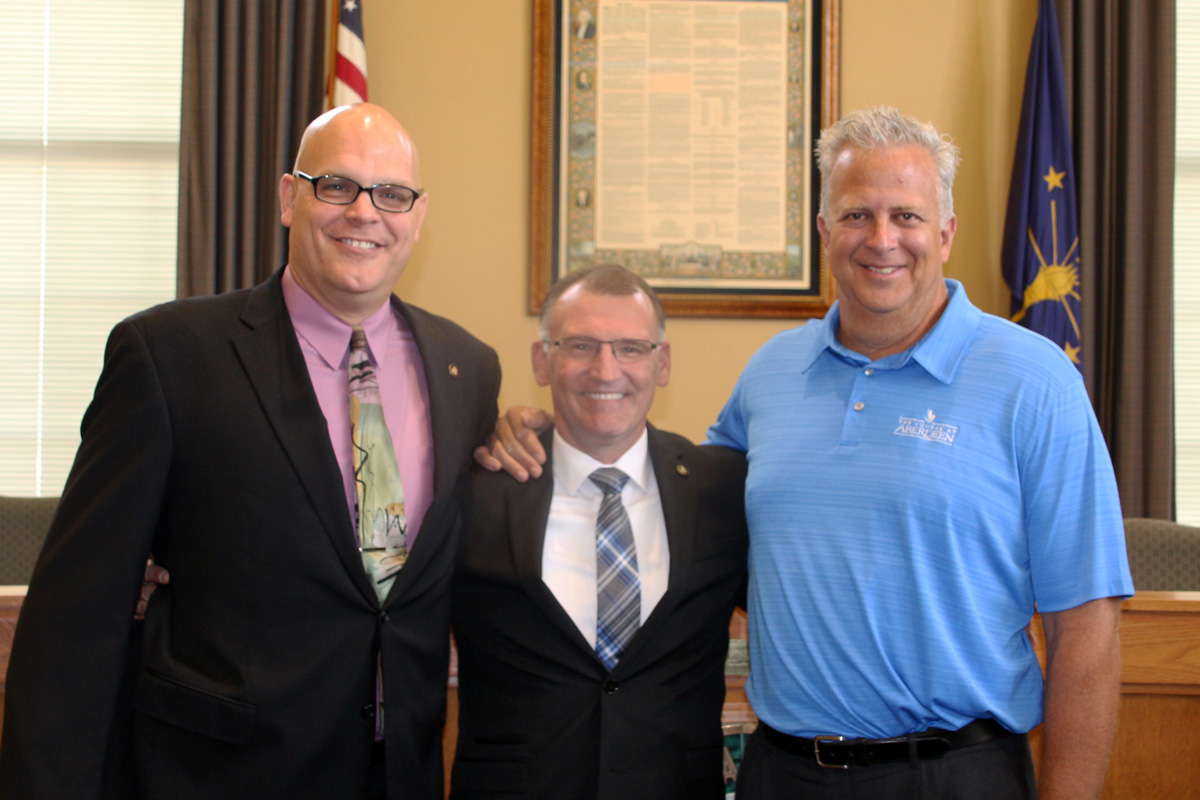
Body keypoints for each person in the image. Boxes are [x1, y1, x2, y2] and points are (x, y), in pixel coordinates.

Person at [479, 107, 1133, 800]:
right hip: (783, 773)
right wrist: (534, 436)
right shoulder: (771, 372)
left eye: (906, 216)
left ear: (945, 231)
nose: (882, 240)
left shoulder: (1036, 382)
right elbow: (672, 499)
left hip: (953, 774)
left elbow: (1086, 629)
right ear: (824, 232)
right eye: (856, 216)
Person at [0, 103, 501, 800]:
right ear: (287, 197)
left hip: (397, 775)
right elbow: (75, 616)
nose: (365, 212)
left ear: (417, 217)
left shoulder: (468, 370)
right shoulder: (170, 357)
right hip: (215, 774)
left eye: (391, 194)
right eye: (336, 185)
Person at [451, 265, 748, 799]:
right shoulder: (475, 492)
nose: (606, 370)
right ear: (543, 361)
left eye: (632, 348)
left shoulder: (722, 488)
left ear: (663, 363)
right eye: (581, 346)